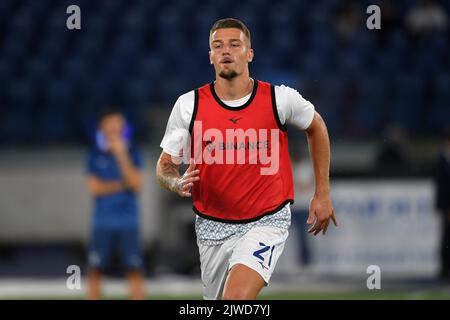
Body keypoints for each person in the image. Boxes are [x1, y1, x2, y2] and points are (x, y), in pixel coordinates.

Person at [156, 18, 338, 300]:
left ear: (249, 53)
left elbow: (317, 127)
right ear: (210, 56)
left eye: (234, 44)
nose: (225, 51)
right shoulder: (188, 105)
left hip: (266, 220)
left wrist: (323, 193)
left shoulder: (279, 99)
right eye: (218, 46)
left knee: (236, 300)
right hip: (211, 224)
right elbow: (165, 165)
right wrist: (176, 182)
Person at [85, 109, 145, 299]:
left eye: (119, 124)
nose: (115, 128)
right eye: (111, 124)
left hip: (129, 222)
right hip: (102, 223)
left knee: (134, 269)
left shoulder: (133, 153)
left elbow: (135, 184)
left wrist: (121, 155)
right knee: (95, 269)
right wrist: (121, 184)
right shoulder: (94, 155)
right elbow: (95, 189)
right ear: (102, 127)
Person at [434, 129, 450, 280]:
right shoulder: (442, 160)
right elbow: (443, 187)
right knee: (446, 237)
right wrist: (445, 207)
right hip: (446, 206)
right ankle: (445, 268)